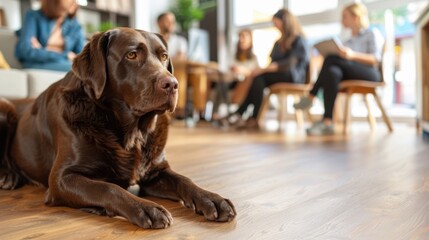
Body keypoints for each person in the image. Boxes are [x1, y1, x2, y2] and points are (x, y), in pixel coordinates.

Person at [293, 3, 384, 136]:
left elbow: (376, 59)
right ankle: (327, 122)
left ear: (356, 17)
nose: (342, 20)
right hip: (349, 73)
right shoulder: (347, 41)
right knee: (332, 72)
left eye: (344, 17)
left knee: (331, 59)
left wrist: (352, 55)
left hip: (369, 73)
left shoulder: (371, 33)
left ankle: (311, 95)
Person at [219, 8, 309, 130]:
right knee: (257, 79)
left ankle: (247, 115)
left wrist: (264, 70)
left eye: (276, 22)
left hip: (293, 76)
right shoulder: (278, 43)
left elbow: (289, 64)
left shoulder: (298, 40)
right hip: (278, 76)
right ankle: (247, 115)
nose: (275, 26)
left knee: (259, 77)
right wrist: (263, 69)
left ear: (285, 22)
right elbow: (272, 62)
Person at [15, 0, 85, 72]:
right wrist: (65, 55)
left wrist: (42, 50)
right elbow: (25, 51)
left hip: (63, 63)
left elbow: (80, 58)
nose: (74, 2)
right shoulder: (33, 16)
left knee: (81, 69)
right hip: (37, 64)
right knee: (78, 70)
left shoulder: (75, 26)